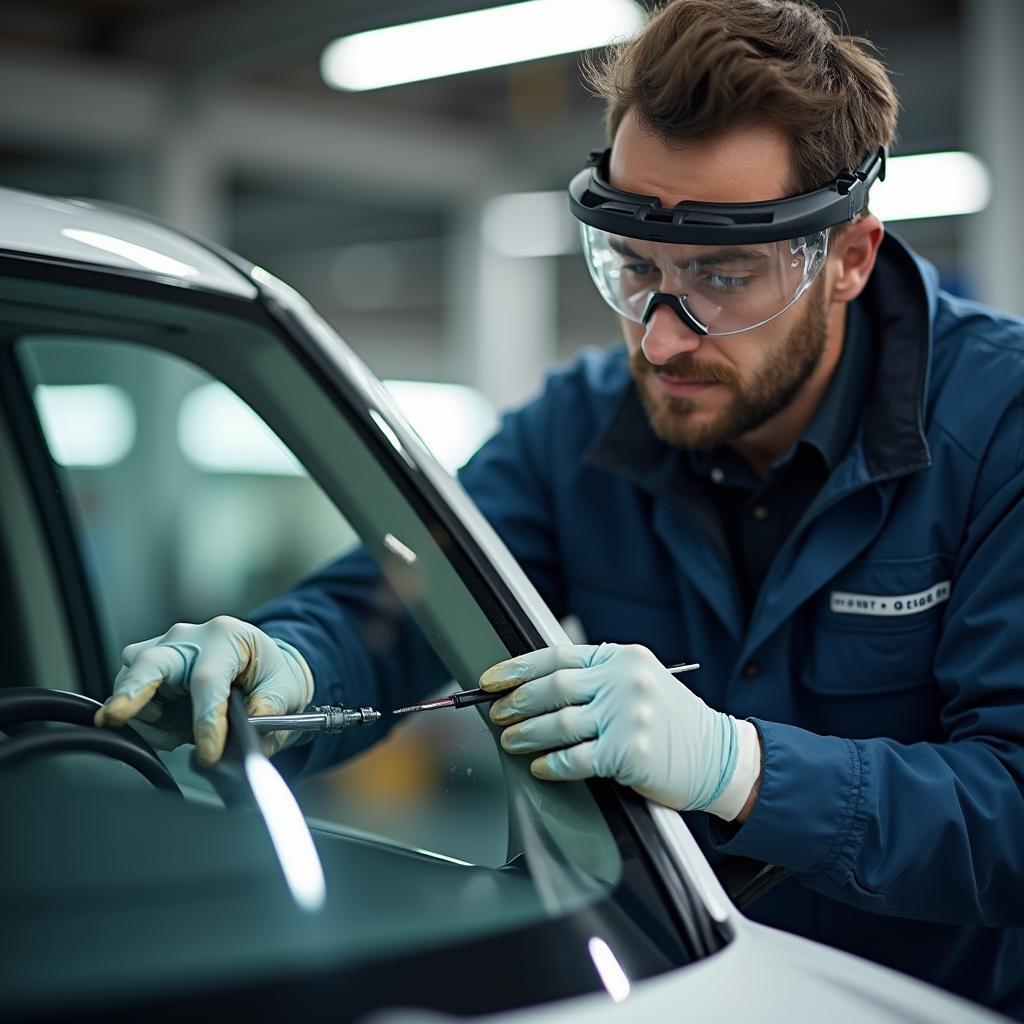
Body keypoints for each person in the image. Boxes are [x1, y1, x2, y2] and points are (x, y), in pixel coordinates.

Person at [95, 0, 1024, 1016]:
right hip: (663, 987)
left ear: (845, 258)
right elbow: (400, 603)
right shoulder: (574, 428)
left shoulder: (1000, 431)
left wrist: (737, 765)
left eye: (721, 276)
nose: (660, 340)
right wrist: (291, 657)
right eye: (634, 268)